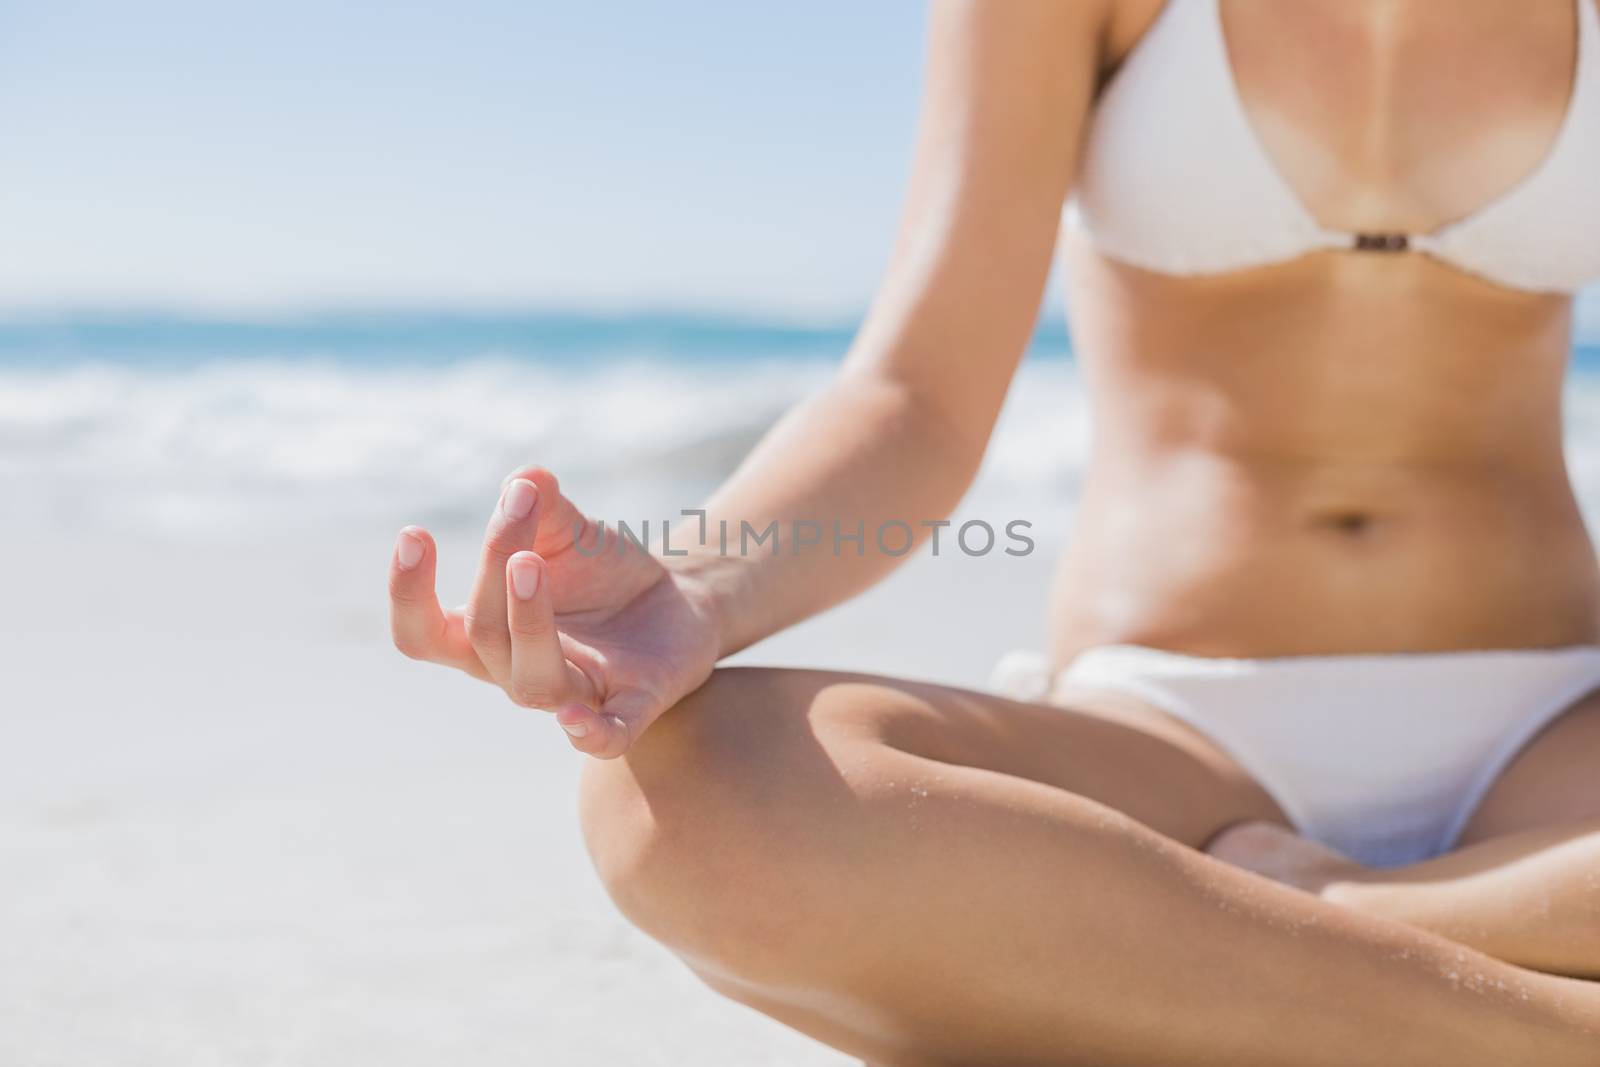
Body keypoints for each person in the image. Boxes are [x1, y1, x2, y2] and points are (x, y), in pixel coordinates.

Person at [387, 1, 1600, 1062]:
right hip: (1172, 739)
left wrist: (1328, 901)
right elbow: (916, 397)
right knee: (687, 801)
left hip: (1558, 743)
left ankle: (1293, 937)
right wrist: (698, 588)